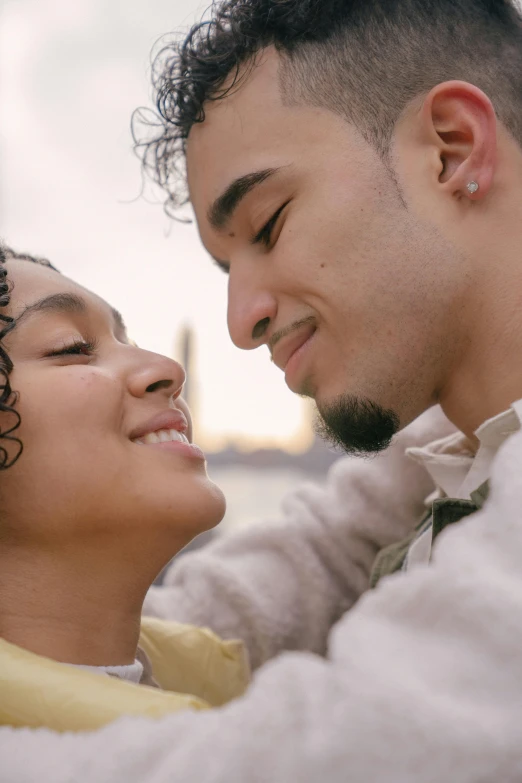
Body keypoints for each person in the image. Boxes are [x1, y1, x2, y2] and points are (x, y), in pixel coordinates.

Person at [4, 0, 522, 779]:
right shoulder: (457, 485)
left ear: (451, 150)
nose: (242, 323)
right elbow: (330, 550)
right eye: (75, 348)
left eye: (270, 222)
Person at [0, 245, 249, 732]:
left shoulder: (200, 667)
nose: (167, 368)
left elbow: (330, 552)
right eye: (72, 348)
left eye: (126, 339)